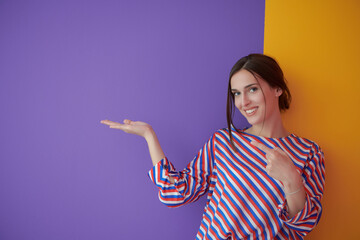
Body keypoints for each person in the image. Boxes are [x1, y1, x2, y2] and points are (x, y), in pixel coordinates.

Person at [100, 54, 325, 240]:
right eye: (236, 93)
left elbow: (302, 226)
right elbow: (176, 193)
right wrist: (149, 136)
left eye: (252, 89)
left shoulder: (308, 153)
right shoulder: (223, 142)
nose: (243, 102)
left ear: (277, 88)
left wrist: (291, 179)